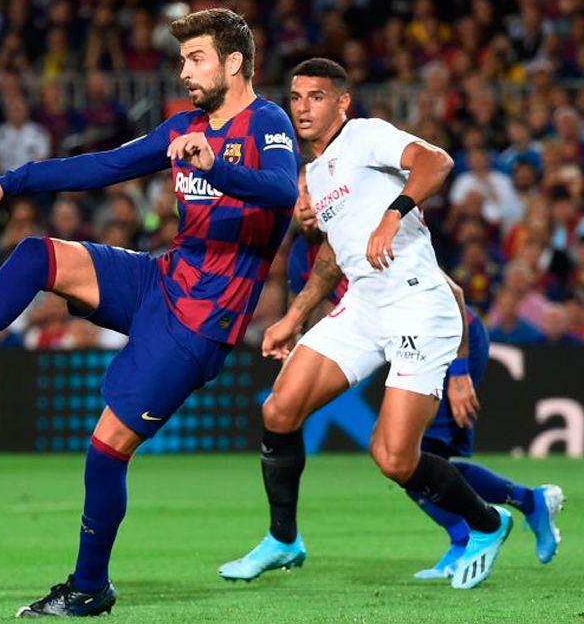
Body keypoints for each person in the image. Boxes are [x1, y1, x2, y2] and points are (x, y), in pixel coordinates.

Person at [0, 8, 301, 616]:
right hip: (162, 279)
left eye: (195, 58)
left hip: (202, 321)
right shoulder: (183, 126)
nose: (184, 70)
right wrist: (7, 184)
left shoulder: (267, 121)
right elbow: (100, 167)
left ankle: (90, 586)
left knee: (107, 447)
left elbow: (283, 190)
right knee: (40, 255)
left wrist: (215, 166)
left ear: (234, 63)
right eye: (182, 60)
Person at [219, 58, 511, 590]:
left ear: (341, 102)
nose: (303, 107)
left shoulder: (366, 136)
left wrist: (394, 213)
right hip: (365, 307)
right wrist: (294, 317)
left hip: (418, 306)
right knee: (279, 409)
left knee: (393, 458)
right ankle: (284, 540)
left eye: (316, 96)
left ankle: (490, 524)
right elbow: (334, 257)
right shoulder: (316, 172)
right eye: (296, 97)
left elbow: (437, 161)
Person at [288, 173, 563, 580]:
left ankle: (474, 533)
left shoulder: (367, 227)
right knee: (412, 459)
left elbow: (451, 294)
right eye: (298, 195)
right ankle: (526, 505)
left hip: (455, 337)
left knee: (411, 458)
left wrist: (460, 372)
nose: (305, 204)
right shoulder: (303, 255)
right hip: (413, 345)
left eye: (313, 193)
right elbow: (327, 316)